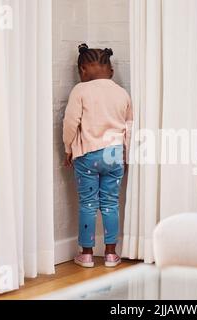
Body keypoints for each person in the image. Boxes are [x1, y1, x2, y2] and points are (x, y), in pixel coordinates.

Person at [63, 43, 133, 268]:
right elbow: (129, 126)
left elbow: (71, 123)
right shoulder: (122, 93)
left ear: (82, 71)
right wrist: (127, 155)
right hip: (114, 154)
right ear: (110, 71)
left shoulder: (80, 90)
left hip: (87, 155)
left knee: (88, 204)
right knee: (111, 203)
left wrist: (68, 147)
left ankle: (87, 255)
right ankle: (112, 254)